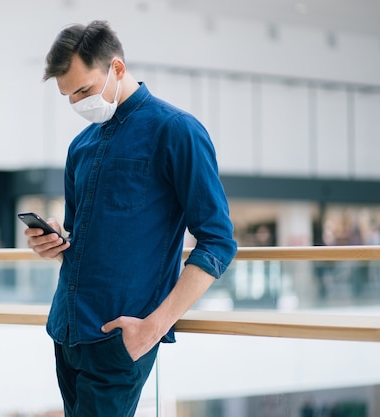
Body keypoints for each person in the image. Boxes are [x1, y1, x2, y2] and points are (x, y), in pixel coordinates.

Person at [24, 21, 237, 417]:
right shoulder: (81, 146)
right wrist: (51, 242)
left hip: (119, 338)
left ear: (117, 69)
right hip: (66, 331)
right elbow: (82, 242)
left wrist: (154, 328)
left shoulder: (177, 131)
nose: (78, 103)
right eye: (69, 96)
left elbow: (218, 241)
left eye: (84, 90)